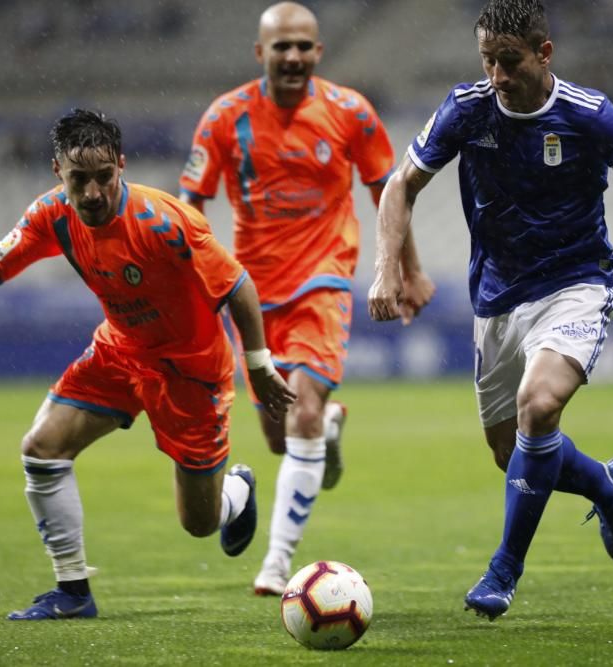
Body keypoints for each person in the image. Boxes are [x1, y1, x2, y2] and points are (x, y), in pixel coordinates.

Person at [368, 0, 613, 620]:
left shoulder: (588, 115)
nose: (496, 75)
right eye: (487, 61)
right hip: (495, 298)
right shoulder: (466, 109)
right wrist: (389, 267)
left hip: (575, 285)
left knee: (539, 405)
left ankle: (504, 570)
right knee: (512, 453)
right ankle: (605, 484)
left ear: (543, 53)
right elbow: (399, 185)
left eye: (509, 61)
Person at [0, 108, 296, 620]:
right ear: (59, 173)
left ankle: (236, 490)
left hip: (191, 373)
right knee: (42, 448)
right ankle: (73, 592)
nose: (93, 193)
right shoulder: (52, 214)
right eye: (80, 180)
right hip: (119, 354)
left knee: (199, 524)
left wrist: (257, 365)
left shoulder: (164, 220)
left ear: (121, 165)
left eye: (104, 177)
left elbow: (239, 286)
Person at [178, 1, 434, 596]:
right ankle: (329, 431)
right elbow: (190, 203)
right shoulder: (225, 117)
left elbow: (389, 194)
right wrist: (197, 275)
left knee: (304, 415)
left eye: (302, 46)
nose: (292, 56)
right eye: (281, 46)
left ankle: (276, 565)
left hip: (324, 277)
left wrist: (408, 271)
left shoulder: (350, 112)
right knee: (278, 433)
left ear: (318, 52)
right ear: (260, 53)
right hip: (251, 292)